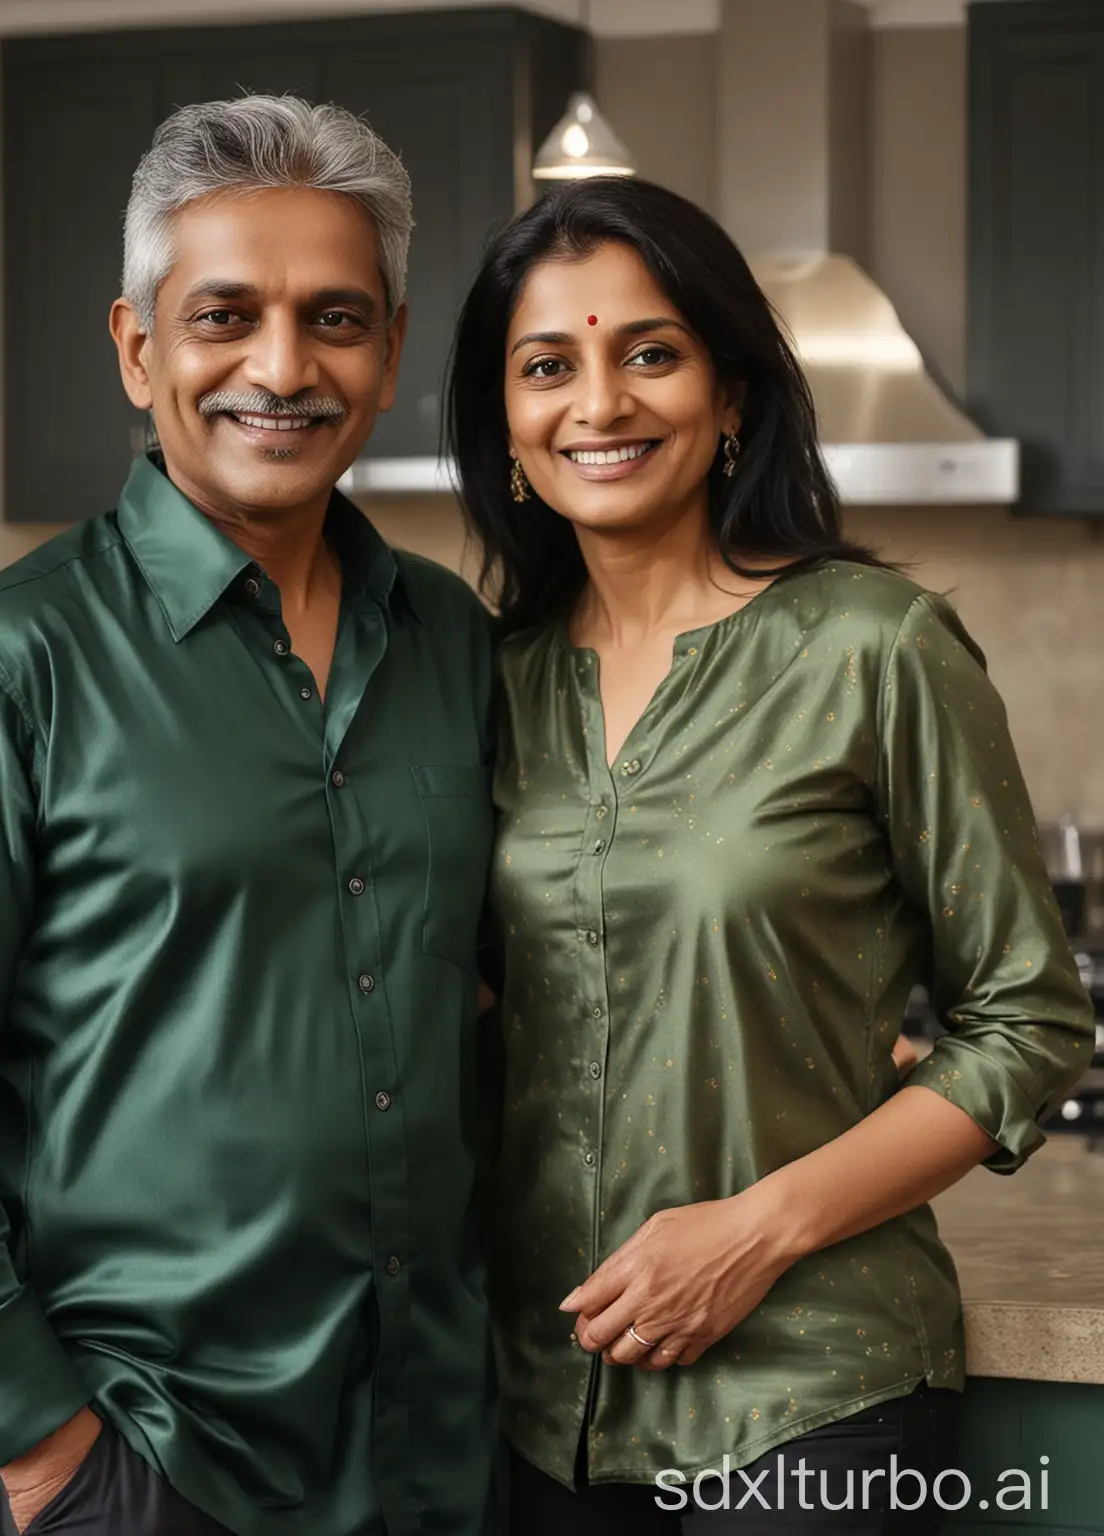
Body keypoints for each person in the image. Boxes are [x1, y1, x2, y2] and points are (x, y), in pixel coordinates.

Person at [0, 96, 500, 1536]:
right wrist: (48, 1449)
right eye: (224, 316)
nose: (282, 367)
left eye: (334, 318)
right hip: (157, 1466)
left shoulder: (453, 640)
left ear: (389, 351)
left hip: (442, 1451)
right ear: (141, 350)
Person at [446, 176, 1093, 1533]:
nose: (600, 403)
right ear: (506, 420)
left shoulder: (875, 647)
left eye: (652, 354)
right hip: (536, 1406)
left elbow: (1029, 1024)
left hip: (814, 1404)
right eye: (548, 365)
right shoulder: (482, 690)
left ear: (731, 393)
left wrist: (754, 1233)